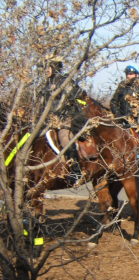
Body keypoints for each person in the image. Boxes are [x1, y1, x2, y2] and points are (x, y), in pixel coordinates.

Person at [41, 55, 87, 185]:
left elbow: (80, 96)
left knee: (64, 138)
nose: (46, 70)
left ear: (55, 67)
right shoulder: (46, 84)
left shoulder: (65, 81)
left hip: (66, 119)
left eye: (48, 66)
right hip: (48, 121)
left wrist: (68, 114)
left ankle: (75, 171)